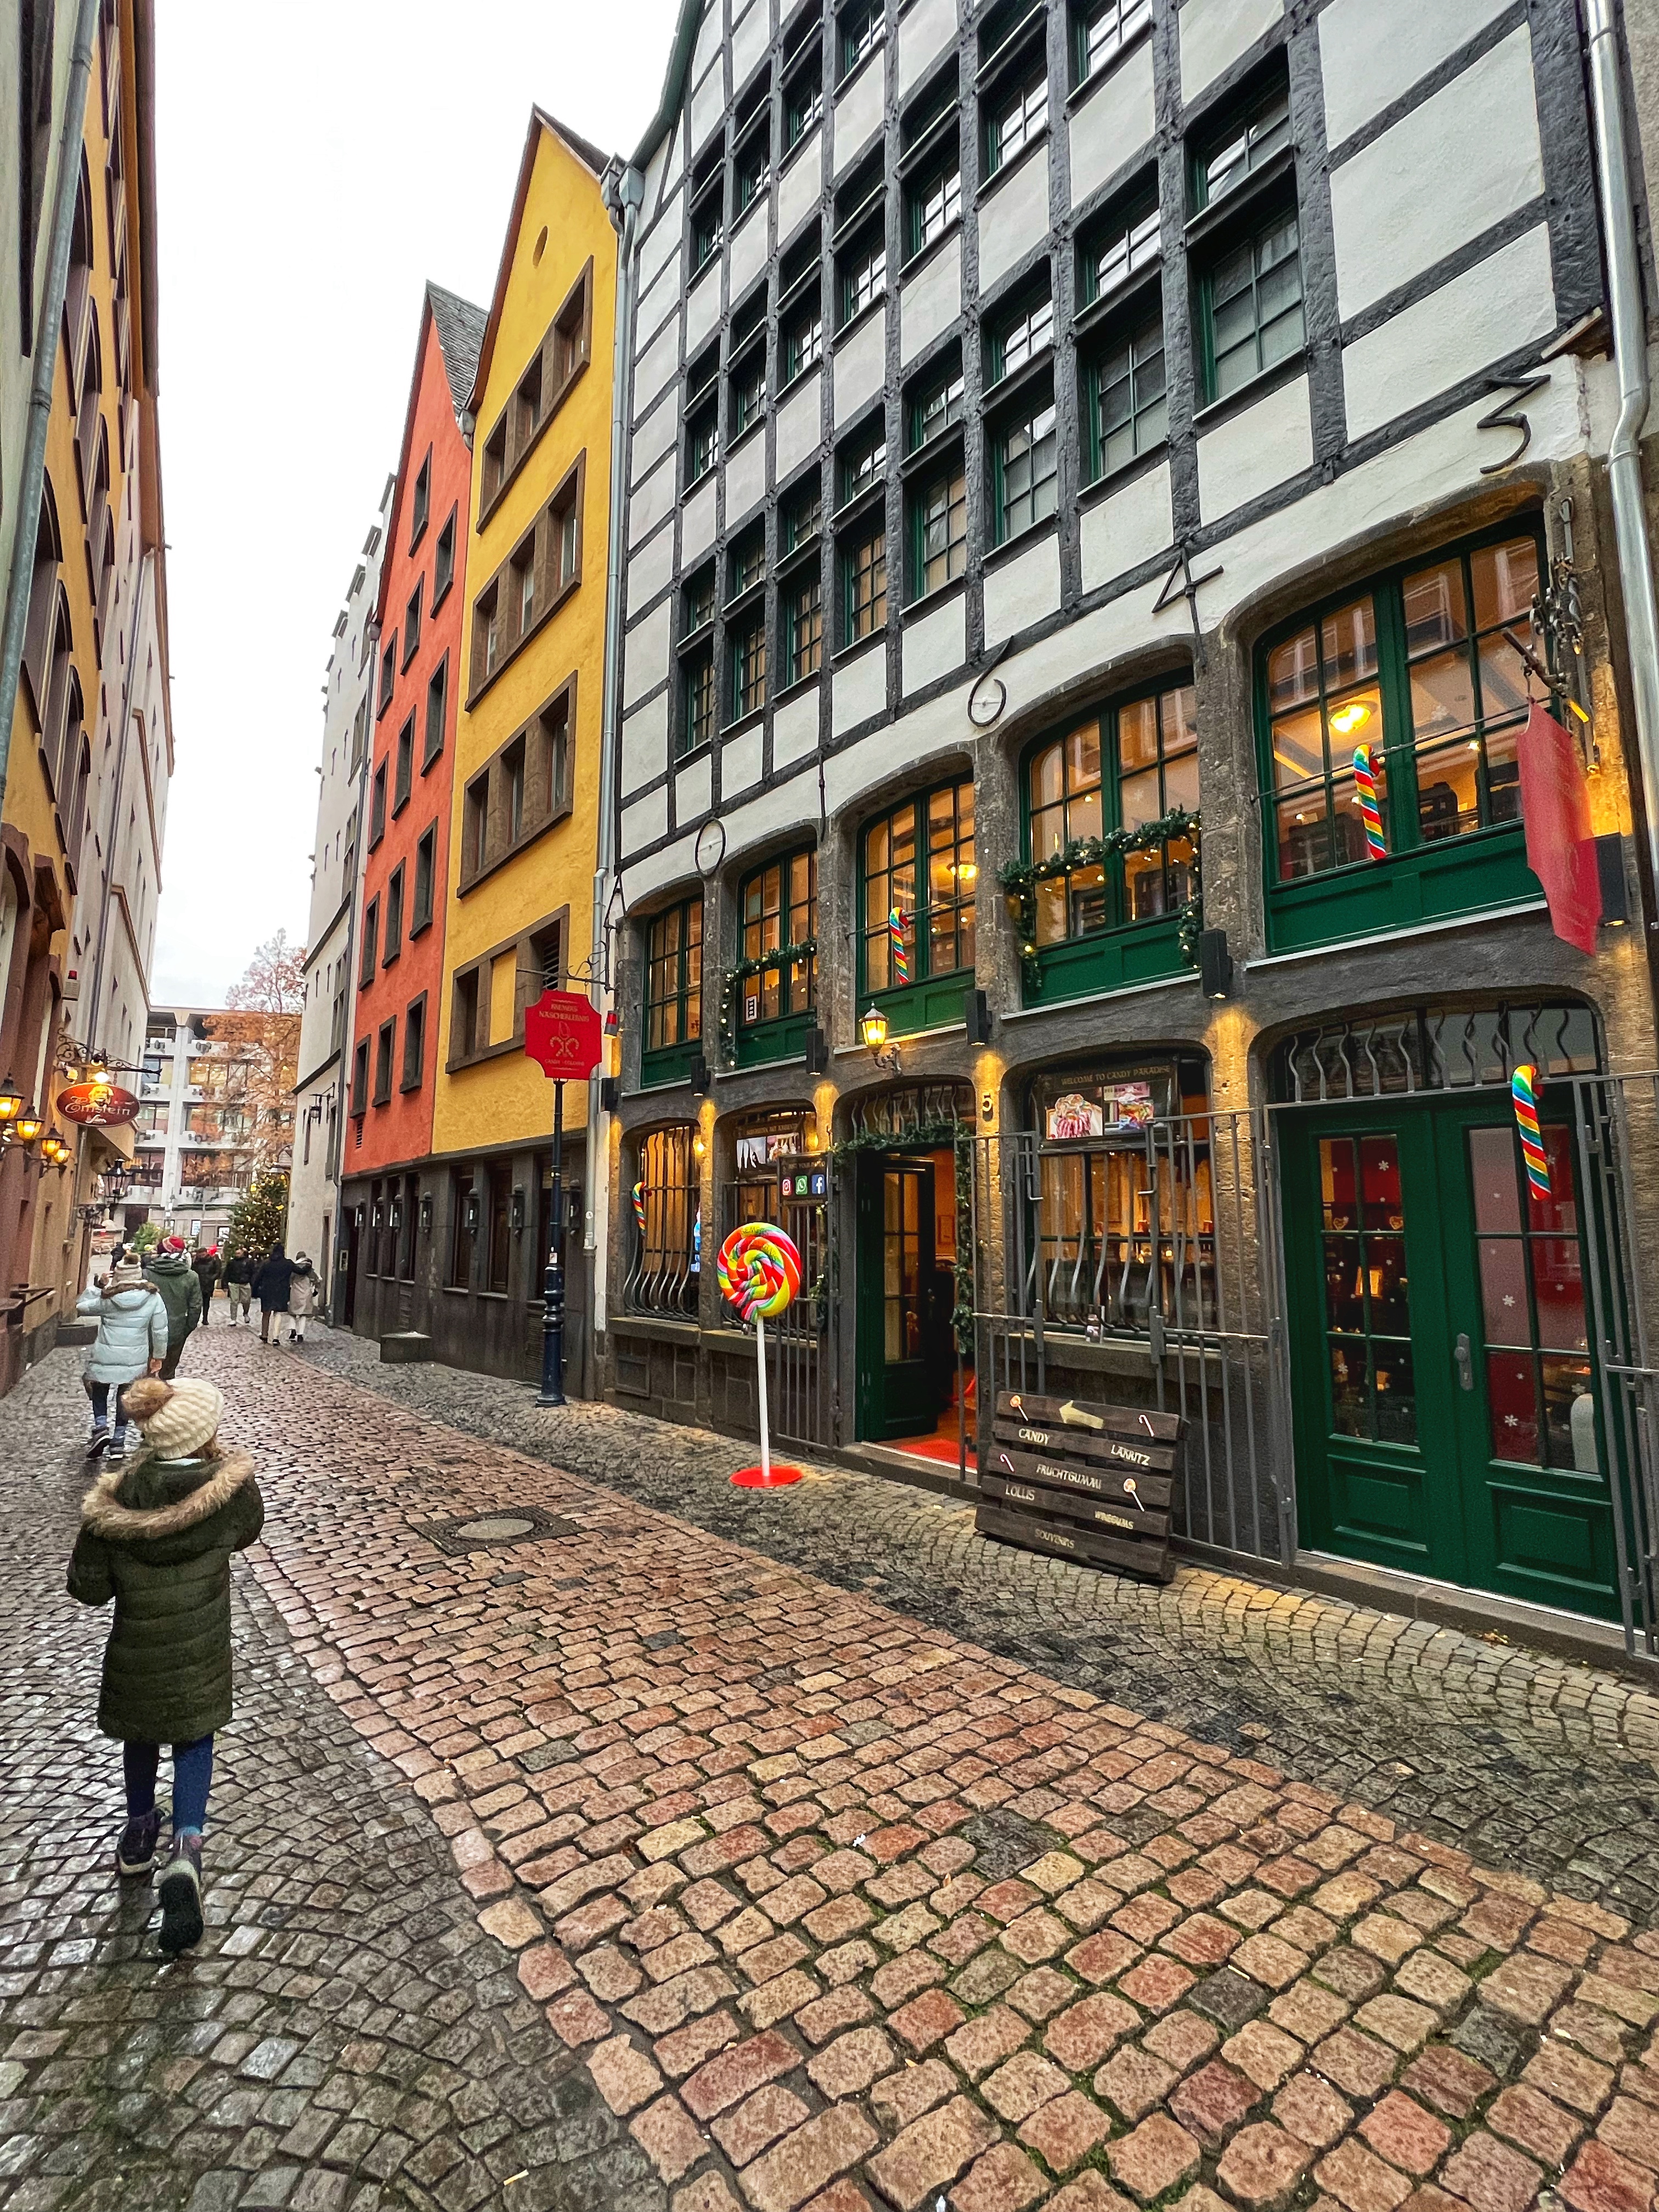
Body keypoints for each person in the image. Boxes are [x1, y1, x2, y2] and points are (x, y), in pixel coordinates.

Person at [66, 1374, 263, 1956]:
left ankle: (138, 1833)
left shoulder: (117, 1500)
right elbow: (247, 1531)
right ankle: (187, 1848)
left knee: (141, 1735)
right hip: (201, 1651)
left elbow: (87, 1588)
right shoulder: (230, 1495)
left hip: (137, 1652)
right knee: (195, 1739)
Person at [76, 1260, 167, 1458]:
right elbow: (160, 1330)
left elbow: (82, 1307)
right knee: (125, 1396)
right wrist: (158, 1356)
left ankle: (101, 1428)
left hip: (106, 1353)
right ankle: (118, 1441)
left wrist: (99, 1287)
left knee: (100, 1389)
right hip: (135, 1356)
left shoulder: (109, 1298)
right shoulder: (153, 1298)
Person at [145, 1236, 203, 1380]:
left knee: (146, 1374)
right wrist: (186, 1329)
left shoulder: (146, 1274)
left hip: (148, 1329)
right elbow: (195, 1307)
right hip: (177, 1329)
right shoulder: (191, 1277)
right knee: (168, 1374)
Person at [252, 1243, 297, 1344]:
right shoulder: (288, 1264)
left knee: (266, 1313)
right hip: (282, 1291)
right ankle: (276, 1337)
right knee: (278, 1314)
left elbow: (258, 1278)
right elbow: (300, 1270)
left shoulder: (266, 1263)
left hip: (267, 1291)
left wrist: (255, 1291)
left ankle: (264, 1334)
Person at [287, 1252, 318, 1343]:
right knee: (303, 1314)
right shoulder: (310, 1269)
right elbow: (316, 1280)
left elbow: (290, 1281)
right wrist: (315, 1290)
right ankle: (300, 1334)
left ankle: (293, 1330)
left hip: (295, 1293)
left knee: (293, 1313)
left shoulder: (294, 1268)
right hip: (306, 1294)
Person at [191, 1245, 222, 1325]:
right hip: (198, 1283)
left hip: (208, 1284)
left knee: (206, 1302)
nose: (202, 1256)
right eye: (200, 1255)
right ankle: (196, 1319)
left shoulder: (213, 1261)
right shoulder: (196, 1262)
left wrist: (211, 1279)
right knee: (197, 1303)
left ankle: (205, 1318)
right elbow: (193, 1271)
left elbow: (218, 1272)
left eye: (203, 1254)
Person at [222, 1249, 254, 1325]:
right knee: (234, 1301)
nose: (237, 1255)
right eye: (236, 1253)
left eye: (239, 1253)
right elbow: (227, 1273)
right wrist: (225, 1285)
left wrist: (252, 1282)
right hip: (234, 1283)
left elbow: (253, 1272)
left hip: (245, 1283)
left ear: (243, 1253)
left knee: (246, 1300)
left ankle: (246, 1313)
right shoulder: (232, 1263)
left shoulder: (249, 1262)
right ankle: (233, 1318)